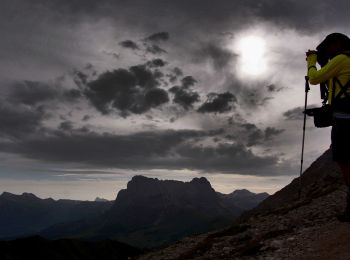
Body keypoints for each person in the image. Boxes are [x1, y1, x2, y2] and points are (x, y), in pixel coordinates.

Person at [306, 32, 350, 222]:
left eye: (329, 45)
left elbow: (314, 79)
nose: (327, 49)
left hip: (344, 117)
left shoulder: (342, 59)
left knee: (344, 158)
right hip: (344, 114)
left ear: (338, 44)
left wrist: (311, 61)